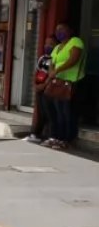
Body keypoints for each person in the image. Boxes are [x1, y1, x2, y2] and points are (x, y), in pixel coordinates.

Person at [43, 22, 85, 151]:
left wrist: (58, 70)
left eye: (62, 29)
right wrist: (51, 71)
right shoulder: (57, 47)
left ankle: (67, 139)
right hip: (58, 83)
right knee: (58, 112)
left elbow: (73, 59)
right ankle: (57, 138)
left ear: (70, 30)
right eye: (57, 29)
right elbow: (52, 61)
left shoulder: (76, 42)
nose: (59, 31)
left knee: (68, 113)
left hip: (71, 82)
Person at [27, 41, 56, 144]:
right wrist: (35, 85)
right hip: (39, 87)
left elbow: (52, 74)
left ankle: (51, 136)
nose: (48, 46)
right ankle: (35, 134)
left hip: (48, 88)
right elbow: (36, 72)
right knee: (41, 112)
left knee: (49, 112)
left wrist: (44, 85)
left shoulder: (55, 58)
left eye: (51, 44)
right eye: (46, 43)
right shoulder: (42, 58)